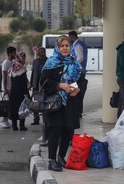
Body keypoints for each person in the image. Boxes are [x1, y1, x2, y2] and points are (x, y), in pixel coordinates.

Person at [41, 35, 81, 172]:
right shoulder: (51, 62)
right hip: (55, 102)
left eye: (67, 45)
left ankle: (61, 157)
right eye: (62, 46)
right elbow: (43, 82)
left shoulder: (74, 63)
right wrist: (60, 85)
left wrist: (78, 88)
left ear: (70, 47)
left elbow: (81, 80)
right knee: (56, 130)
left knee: (68, 130)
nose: (65, 48)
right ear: (58, 48)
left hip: (71, 102)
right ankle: (51, 160)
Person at [68, 31, 88, 118]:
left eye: (69, 37)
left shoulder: (78, 45)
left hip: (78, 74)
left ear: (72, 37)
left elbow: (80, 57)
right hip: (78, 73)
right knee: (77, 93)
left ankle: (77, 112)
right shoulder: (76, 44)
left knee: (76, 93)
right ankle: (77, 112)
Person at [9, 52, 29, 131]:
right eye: (23, 58)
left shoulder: (12, 68)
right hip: (21, 93)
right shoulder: (22, 69)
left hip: (13, 93)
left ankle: (14, 126)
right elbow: (24, 83)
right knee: (22, 108)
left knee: (14, 109)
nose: (24, 60)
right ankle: (22, 126)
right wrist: (26, 93)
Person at [0, 46, 16, 129]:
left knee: (10, 105)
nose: (15, 54)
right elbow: (4, 77)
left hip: (11, 88)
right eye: (14, 53)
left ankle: (7, 121)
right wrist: (5, 89)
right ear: (10, 53)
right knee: (6, 105)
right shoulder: (6, 63)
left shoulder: (12, 62)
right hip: (7, 88)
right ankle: (3, 121)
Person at [30, 47, 48, 125]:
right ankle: (36, 119)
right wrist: (31, 84)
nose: (39, 53)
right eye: (39, 52)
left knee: (44, 101)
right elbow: (33, 73)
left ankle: (45, 118)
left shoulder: (48, 61)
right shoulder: (35, 61)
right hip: (35, 84)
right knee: (35, 101)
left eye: (42, 52)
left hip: (44, 85)